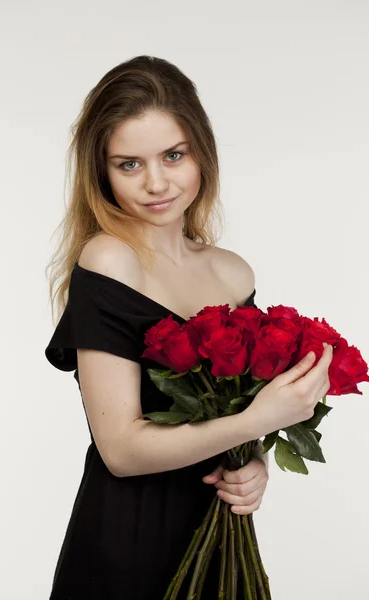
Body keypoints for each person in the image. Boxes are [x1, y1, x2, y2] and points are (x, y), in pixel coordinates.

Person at [45, 55, 332, 599]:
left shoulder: (232, 271)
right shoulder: (110, 259)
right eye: (129, 164)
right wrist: (254, 423)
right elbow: (122, 451)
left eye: (173, 155)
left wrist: (253, 464)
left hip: (218, 541)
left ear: (202, 151)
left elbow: (235, 409)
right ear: (100, 172)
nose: (156, 183)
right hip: (128, 540)